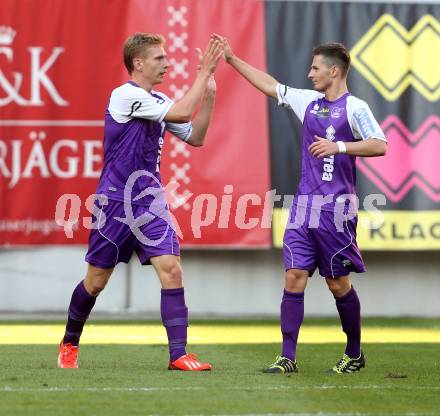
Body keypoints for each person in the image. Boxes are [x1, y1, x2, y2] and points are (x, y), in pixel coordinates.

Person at [214, 34, 387, 374]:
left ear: (334, 72)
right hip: (303, 209)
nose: (310, 74)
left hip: (336, 213)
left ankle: (354, 353)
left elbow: (379, 144)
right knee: (294, 276)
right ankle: (287, 357)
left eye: (315, 68)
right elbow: (271, 86)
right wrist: (232, 60)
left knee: (337, 283)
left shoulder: (356, 108)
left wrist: (338, 148)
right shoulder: (308, 101)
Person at [58, 33, 222, 370]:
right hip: (115, 202)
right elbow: (181, 112)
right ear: (138, 63)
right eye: (159, 58)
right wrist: (203, 72)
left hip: (150, 202)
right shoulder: (124, 95)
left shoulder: (156, 100)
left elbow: (197, 137)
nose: (166, 63)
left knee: (172, 270)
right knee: (96, 281)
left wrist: (209, 97)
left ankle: (179, 354)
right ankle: (69, 342)